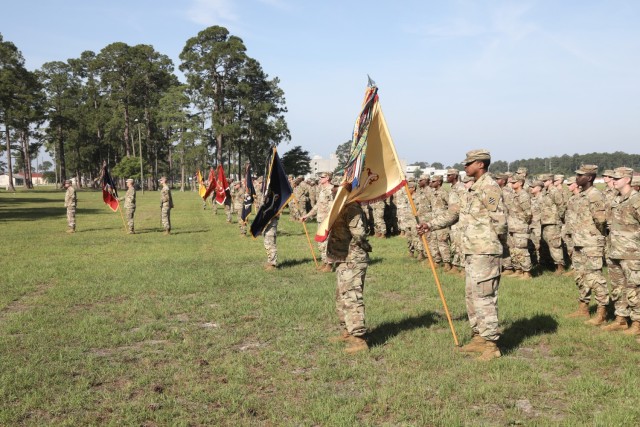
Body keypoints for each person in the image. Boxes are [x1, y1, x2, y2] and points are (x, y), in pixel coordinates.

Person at [419, 149, 506, 361]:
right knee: (472, 296)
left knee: (484, 297)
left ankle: (491, 344)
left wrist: (494, 245)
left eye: (469, 164)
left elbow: (500, 222)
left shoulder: (489, 188)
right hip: (472, 251)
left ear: (481, 165)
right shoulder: (472, 189)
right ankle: (478, 337)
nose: (465, 167)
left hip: (484, 251)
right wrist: (429, 225)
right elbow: (453, 213)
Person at [327, 199, 372, 354]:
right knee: (342, 296)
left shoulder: (352, 208)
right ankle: (347, 331)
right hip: (343, 257)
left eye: (337, 187)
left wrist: (363, 246)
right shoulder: (341, 206)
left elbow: (359, 234)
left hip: (353, 258)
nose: (334, 191)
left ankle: (359, 338)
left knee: (352, 296)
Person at [565, 165, 609, 324]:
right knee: (580, 276)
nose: (577, 178)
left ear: (589, 178)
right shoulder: (580, 196)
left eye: (580, 176)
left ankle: (602, 312)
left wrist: (594, 237)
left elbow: (601, 221)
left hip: (591, 243)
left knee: (595, 277)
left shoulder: (595, 195)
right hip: (578, 242)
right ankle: (583, 309)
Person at [607, 167, 640, 337]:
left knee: (634, 288)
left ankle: (637, 322)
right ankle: (621, 319)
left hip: (632, 253)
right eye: (613, 178)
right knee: (618, 287)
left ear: (627, 179)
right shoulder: (616, 199)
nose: (614, 180)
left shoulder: (636, 200)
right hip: (614, 251)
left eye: (617, 178)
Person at [301, 172, 335, 272]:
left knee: (328, 243)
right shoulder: (322, 190)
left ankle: (329, 264)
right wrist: (307, 215)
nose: (320, 178)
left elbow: (333, 207)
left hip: (327, 220)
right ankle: (325, 262)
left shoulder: (331, 190)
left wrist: (329, 219)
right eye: (319, 177)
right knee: (321, 242)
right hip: (320, 220)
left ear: (328, 178)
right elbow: (317, 206)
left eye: (322, 177)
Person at [507, 173, 533, 279]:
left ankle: (527, 272)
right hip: (512, 226)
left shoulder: (523, 195)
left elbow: (528, 213)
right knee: (513, 249)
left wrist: (523, 223)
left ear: (520, 183)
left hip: (520, 227)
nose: (512, 183)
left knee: (522, 250)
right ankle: (518, 269)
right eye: (511, 182)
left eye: (514, 182)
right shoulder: (513, 195)